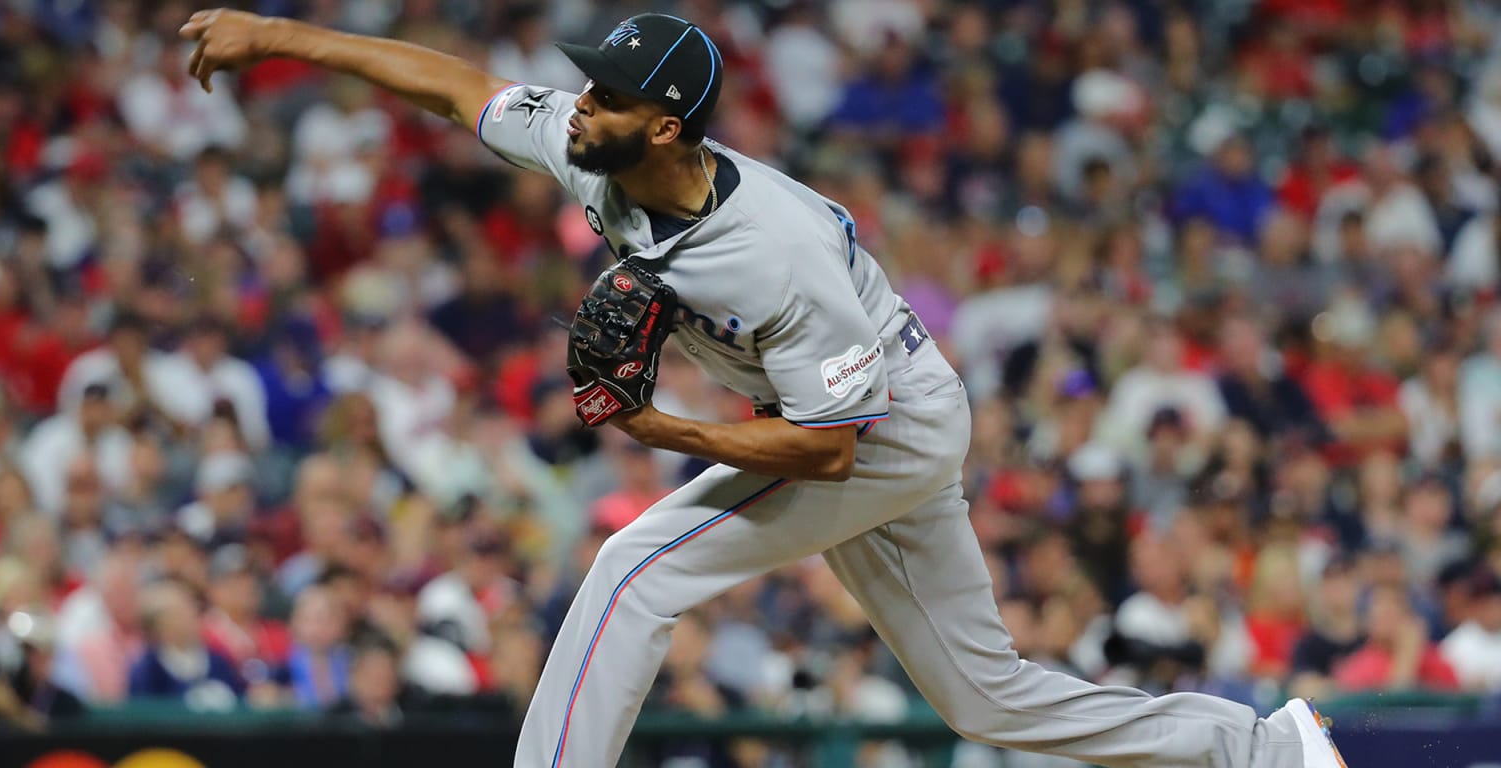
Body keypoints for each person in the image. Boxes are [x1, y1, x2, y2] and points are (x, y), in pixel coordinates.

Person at [179, 10, 1349, 767]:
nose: (575, 106)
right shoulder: (599, 154)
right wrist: (274, 33)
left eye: (603, 97)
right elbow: (454, 88)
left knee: (630, 570)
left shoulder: (770, 250)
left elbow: (834, 450)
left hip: (881, 430)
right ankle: (1263, 750)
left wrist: (658, 428)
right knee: (983, 700)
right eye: (584, 91)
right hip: (860, 419)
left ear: (666, 124)